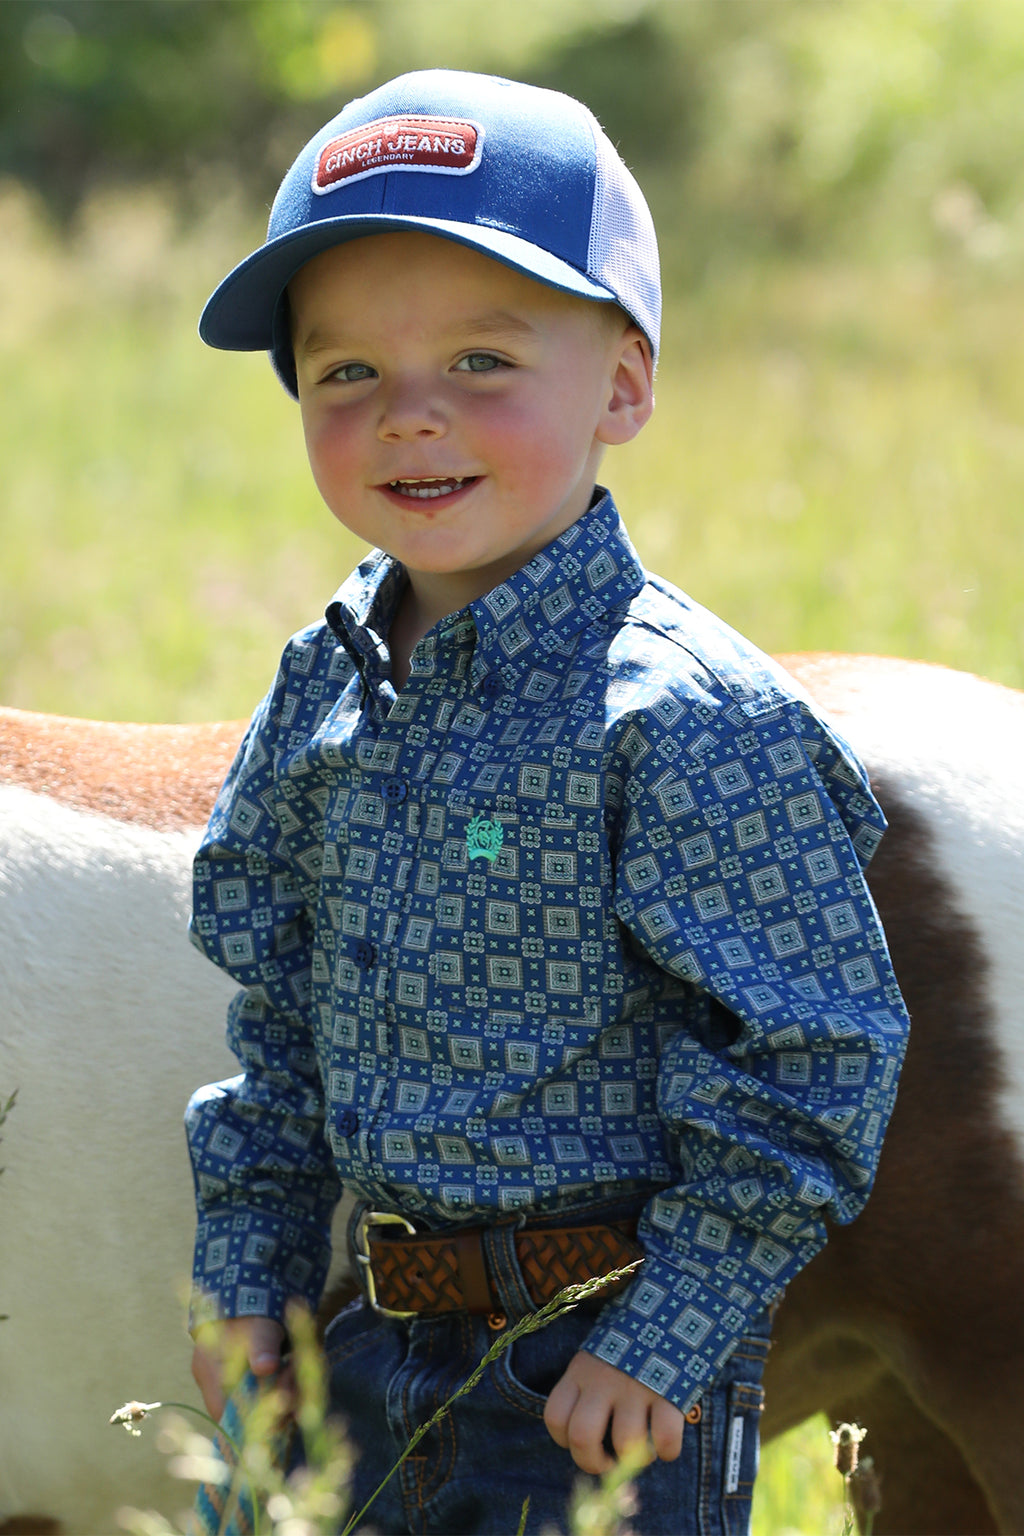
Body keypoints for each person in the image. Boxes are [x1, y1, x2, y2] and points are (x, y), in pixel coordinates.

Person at [185, 68, 909, 1536]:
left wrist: (670, 1331)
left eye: (482, 362)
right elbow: (276, 1020)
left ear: (625, 384)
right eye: (347, 376)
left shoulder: (686, 715)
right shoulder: (320, 690)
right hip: (370, 1344)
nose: (410, 420)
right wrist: (251, 1276)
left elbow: (818, 1051)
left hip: (596, 1371)